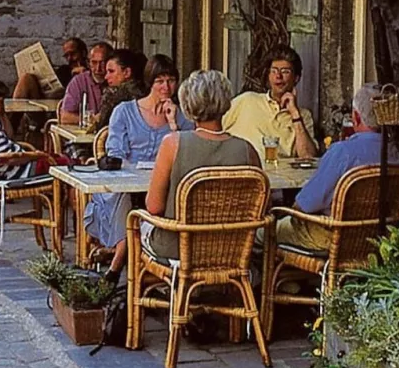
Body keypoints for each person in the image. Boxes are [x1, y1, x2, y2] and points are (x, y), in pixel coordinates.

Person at [84, 54, 191, 274]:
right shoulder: (125, 111)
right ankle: (121, 259)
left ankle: (116, 263)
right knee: (122, 198)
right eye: (160, 81)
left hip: (162, 186)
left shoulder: (181, 116)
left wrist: (172, 124)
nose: (166, 86)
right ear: (150, 82)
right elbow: (116, 153)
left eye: (171, 80)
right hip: (127, 184)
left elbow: (187, 154)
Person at [142, 70, 261, 262]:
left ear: (187, 104)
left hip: (179, 248)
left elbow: (154, 207)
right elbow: (261, 206)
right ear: (226, 103)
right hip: (233, 249)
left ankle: (143, 286)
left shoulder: (172, 144)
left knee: (137, 224)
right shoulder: (247, 150)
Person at [276, 83, 388, 251]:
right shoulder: (396, 152)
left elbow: (306, 204)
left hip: (333, 237)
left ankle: (278, 276)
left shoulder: (343, 152)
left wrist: (288, 212)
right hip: (378, 237)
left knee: (266, 231)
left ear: (356, 118)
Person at [224, 46, 315, 159]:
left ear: (296, 78)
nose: (278, 76)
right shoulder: (247, 100)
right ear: (268, 75)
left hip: (280, 175)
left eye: (285, 71)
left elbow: (308, 156)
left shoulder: (303, 116)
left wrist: (295, 114)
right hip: (242, 172)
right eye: (274, 71)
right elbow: (212, 129)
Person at [13, 37, 88, 100]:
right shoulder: (64, 70)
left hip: (71, 109)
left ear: (83, 53)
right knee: (26, 78)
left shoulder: (93, 70)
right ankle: (11, 114)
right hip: (46, 106)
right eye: (66, 55)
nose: (69, 58)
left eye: (73, 54)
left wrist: (83, 74)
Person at [59, 40, 113, 125]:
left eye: (102, 63)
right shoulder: (78, 82)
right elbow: (65, 117)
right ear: (88, 63)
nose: (98, 68)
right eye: (94, 62)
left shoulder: (117, 80)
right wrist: (91, 120)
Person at [96, 48, 146, 128]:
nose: (106, 77)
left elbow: (102, 127)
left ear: (127, 72)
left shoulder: (113, 96)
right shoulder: (146, 92)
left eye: (111, 71)